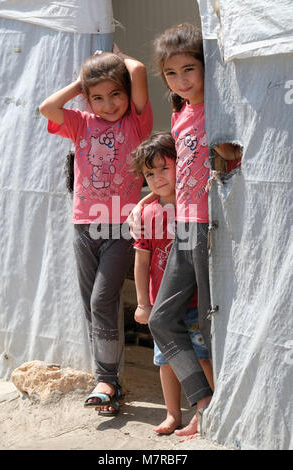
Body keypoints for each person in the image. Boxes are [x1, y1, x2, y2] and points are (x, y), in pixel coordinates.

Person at [128, 24, 240, 438]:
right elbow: (176, 172)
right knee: (161, 318)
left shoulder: (219, 106)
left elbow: (233, 153)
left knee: (210, 323)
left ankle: (214, 408)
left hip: (212, 224)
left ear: (207, 67)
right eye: (171, 74)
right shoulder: (180, 113)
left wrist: (226, 150)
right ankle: (204, 399)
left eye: (189, 69)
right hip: (185, 225)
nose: (181, 81)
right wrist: (148, 198)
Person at [39, 44, 153, 416]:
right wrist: (80, 85)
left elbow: (137, 70)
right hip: (83, 227)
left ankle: (106, 379)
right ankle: (109, 380)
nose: (108, 104)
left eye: (115, 94)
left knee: (102, 301)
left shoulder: (136, 123)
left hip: (120, 228)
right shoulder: (81, 122)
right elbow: (47, 108)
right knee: (93, 308)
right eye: (98, 98)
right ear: (88, 100)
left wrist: (119, 59)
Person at [131, 132, 214, 435]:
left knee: (202, 357)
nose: (157, 178)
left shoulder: (189, 206)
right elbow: (141, 261)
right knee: (165, 362)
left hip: (192, 303)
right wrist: (142, 302)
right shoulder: (148, 214)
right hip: (162, 304)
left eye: (164, 168)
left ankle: (205, 412)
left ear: (182, 165)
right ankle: (172, 413)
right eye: (149, 174)